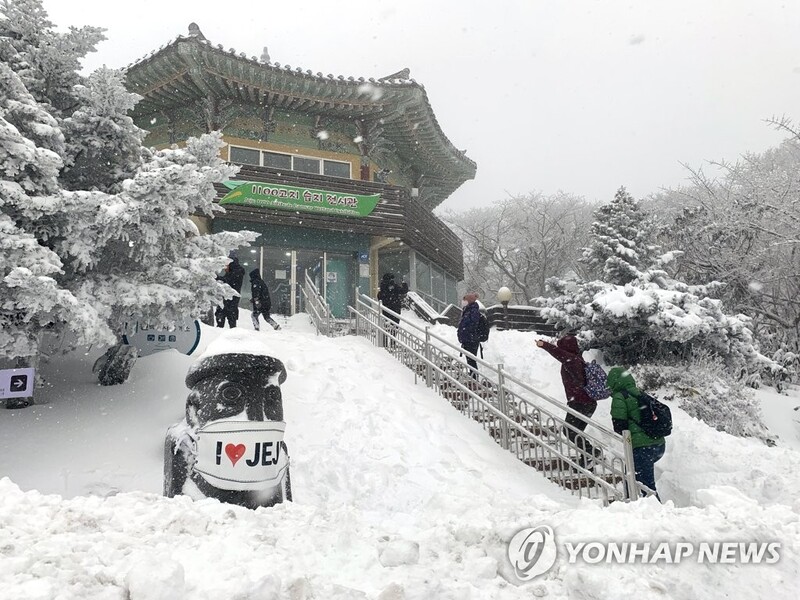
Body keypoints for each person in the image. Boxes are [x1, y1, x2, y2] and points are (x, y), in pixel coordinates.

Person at [535, 335, 601, 466]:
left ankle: (591, 452)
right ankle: (587, 459)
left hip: (580, 402)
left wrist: (544, 345)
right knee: (576, 432)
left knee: (569, 430)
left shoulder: (571, 360)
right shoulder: (578, 359)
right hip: (587, 403)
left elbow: (558, 353)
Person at [606, 366, 666, 501]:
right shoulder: (639, 393)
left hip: (642, 446)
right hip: (658, 444)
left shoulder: (620, 396)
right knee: (633, 477)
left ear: (614, 381)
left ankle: (657, 512)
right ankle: (632, 505)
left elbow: (620, 425)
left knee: (644, 484)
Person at [215, 255, 245, 328]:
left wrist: (216, 277)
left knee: (229, 318)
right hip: (227, 299)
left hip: (231, 300)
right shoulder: (232, 272)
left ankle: (229, 334)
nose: (225, 268)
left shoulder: (237, 273)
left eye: (226, 265)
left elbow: (227, 281)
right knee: (223, 316)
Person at [457, 292, 482, 379]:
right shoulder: (468, 310)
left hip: (471, 340)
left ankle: (474, 377)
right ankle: (473, 376)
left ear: (469, 301)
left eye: (465, 300)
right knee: (470, 359)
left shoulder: (473, 310)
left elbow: (472, 324)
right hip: (468, 339)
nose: (463, 301)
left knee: (471, 359)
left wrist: (467, 334)